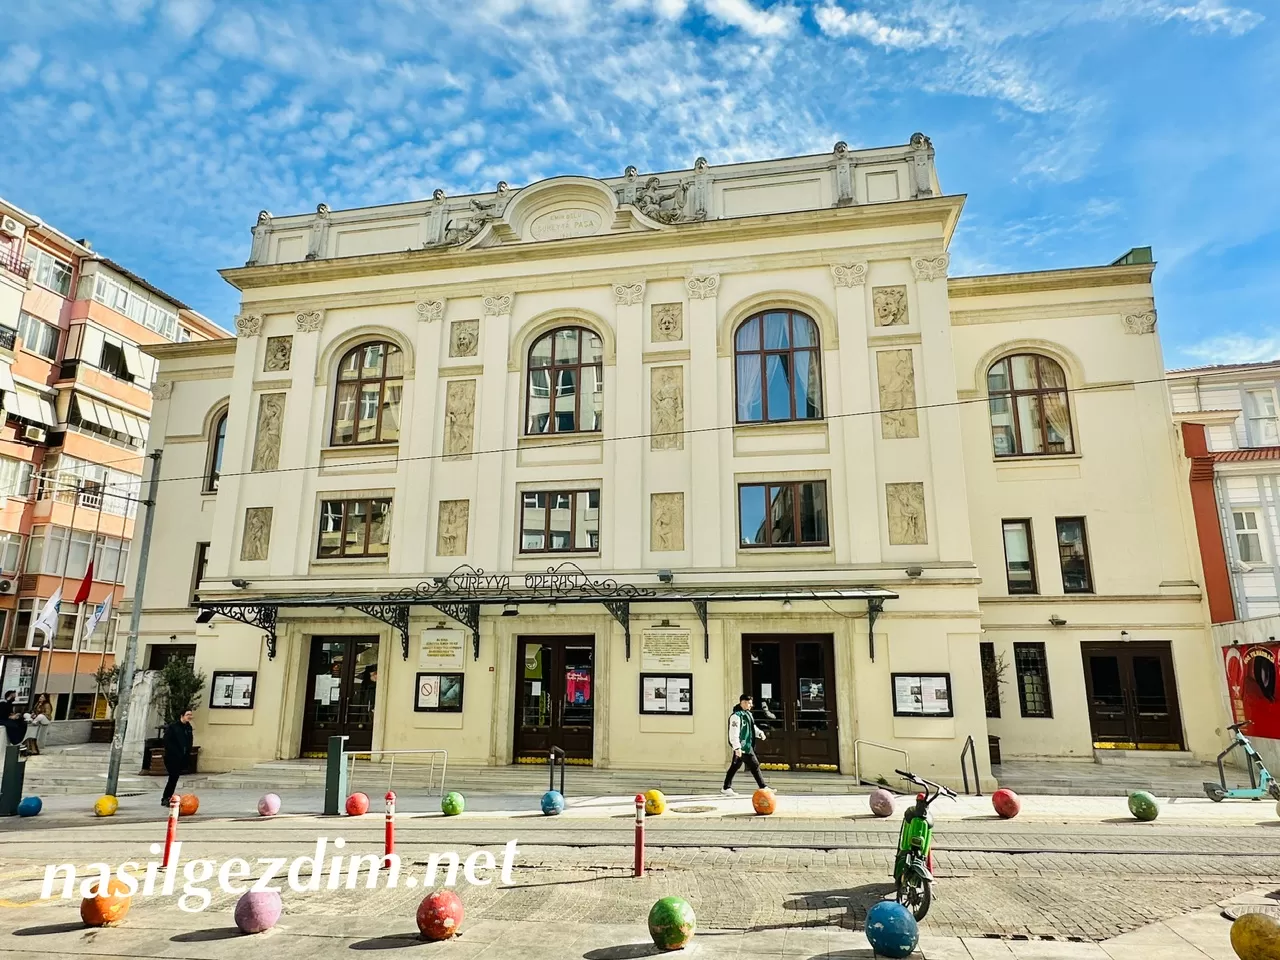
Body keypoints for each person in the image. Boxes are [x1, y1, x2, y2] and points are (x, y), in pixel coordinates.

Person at [722, 692, 769, 797]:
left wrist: (760, 733)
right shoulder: (736, 716)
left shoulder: (748, 714)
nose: (751, 705)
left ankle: (726, 787)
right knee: (755, 765)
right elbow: (733, 733)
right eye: (749, 703)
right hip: (743, 746)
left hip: (746, 744)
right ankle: (763, 786)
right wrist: (737, 747)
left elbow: (752, 728)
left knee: (735, 766)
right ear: (743, 703)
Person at [161, 709, 194, 807]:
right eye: (188, 714)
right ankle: (165, 798)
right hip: (172, 757)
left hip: (182, 757)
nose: (189, 716)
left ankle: (167, 797)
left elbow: (189, 741)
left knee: (174, 778)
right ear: (182, 715)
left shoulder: (188, 727)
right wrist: (175, 752)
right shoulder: (173, 727)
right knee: (173, 777)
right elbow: (167, 741)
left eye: (190, 715)